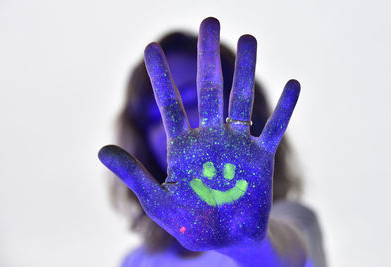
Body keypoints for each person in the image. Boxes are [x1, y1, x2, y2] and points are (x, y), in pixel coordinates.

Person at [99, 17, 326, 267]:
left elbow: (285, 254)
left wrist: (250, 247)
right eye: (155, 116)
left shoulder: (297, 221)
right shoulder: (137, 262)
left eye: (192, 98)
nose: (174, 121)